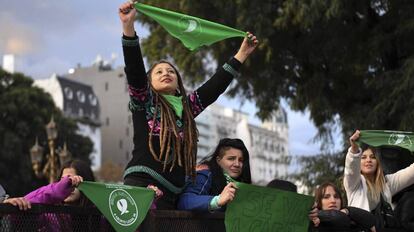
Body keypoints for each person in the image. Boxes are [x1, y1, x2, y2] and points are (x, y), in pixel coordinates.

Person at [118, 1, 258, 209]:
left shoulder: (187, 109)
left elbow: (213, 87)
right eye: (159, 72)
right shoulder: (144, 101)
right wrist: (128, 28)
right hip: (142, 186)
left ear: (178, 84)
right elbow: (135, 70)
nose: (166, 73)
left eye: (171, 71)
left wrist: (242, 54)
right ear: (149, 84)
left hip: (172, 195)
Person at [344, 130, 414, 230]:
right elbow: (350, 170)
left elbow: (411, 173)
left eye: (372, 157)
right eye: (363, 157)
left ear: (377, 162)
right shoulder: (354, 184)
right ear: (358, 162)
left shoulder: (387, 184)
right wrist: (354, 150)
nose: (368, 160)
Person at [177, 138, 251, 211]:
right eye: (231, 159)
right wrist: (217, 200)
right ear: (218, 160)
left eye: (241, 160)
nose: (237, 164)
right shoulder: (205, 173)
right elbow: (185, 201)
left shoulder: (242, 184)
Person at [308, 182, 376, 232]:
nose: (333, 200)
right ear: (318, 202)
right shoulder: (312, 222)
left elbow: (371, 220)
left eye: (336, 197)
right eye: (326, 197)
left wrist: (348, 211)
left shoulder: (350, 218)